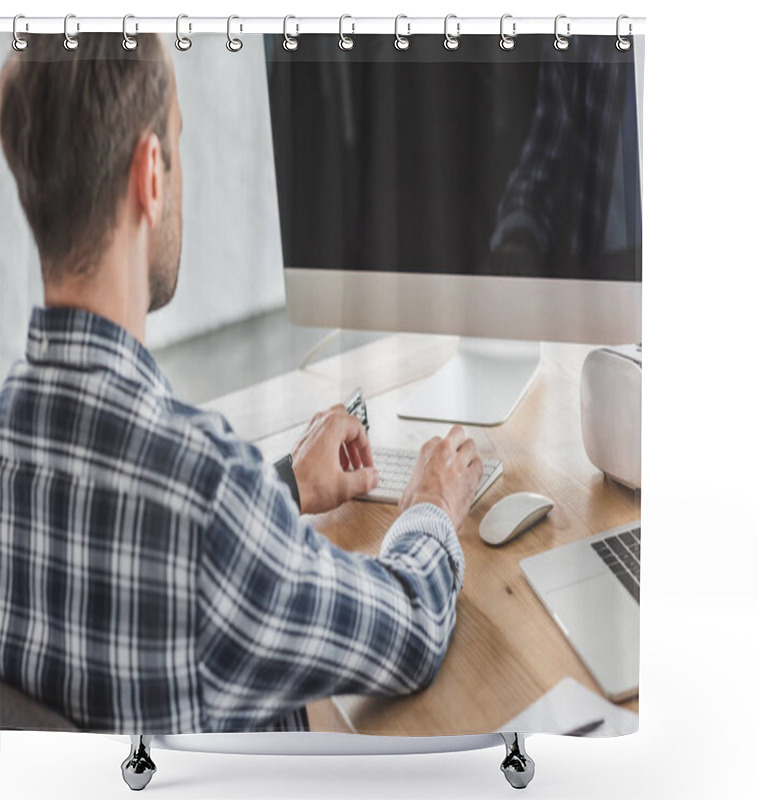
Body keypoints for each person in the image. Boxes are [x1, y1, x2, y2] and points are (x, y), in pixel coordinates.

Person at [0, 34, 482, 733]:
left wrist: (281, 487)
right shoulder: (205, 496)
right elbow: (410, 629)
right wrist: (432, 503)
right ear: (151, 174)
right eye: (178, 141)